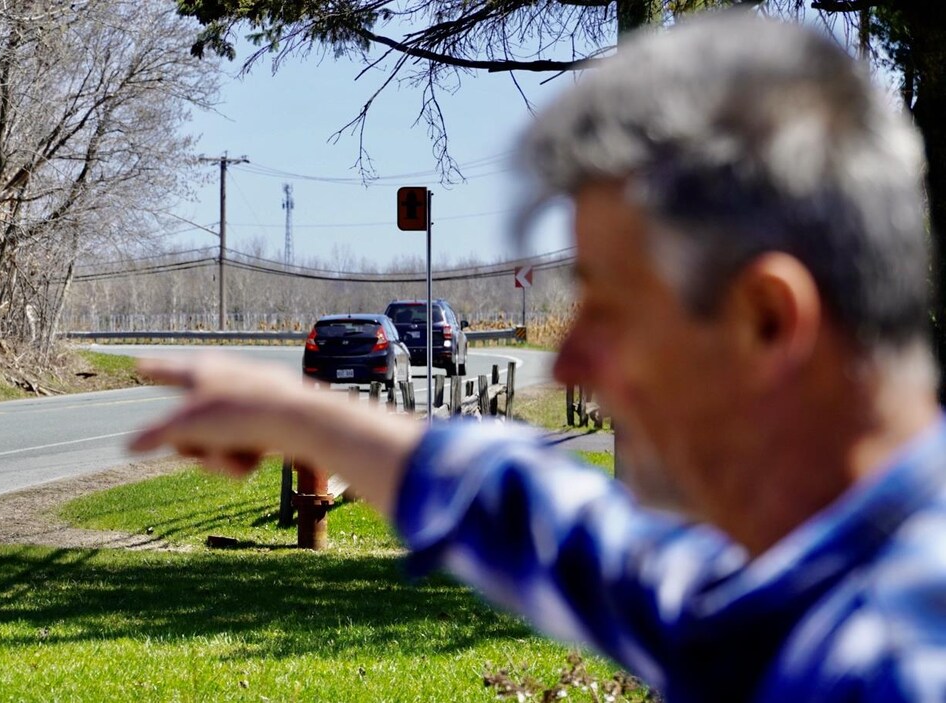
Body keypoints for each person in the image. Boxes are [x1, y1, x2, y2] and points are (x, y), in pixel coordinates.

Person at [131, 12, 946, 702]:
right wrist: (311, 420)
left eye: (610, 307)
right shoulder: (798, 595)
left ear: (766, 322)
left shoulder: (882, 667)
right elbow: (581, 544)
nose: (568, 364)